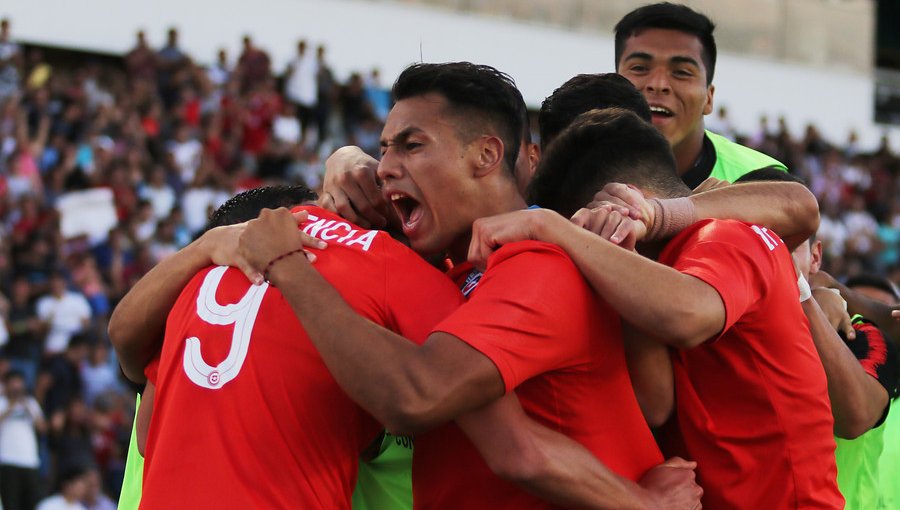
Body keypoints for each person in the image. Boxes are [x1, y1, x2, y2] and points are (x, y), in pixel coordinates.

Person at [110, 64, 701, 509]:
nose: (383, 165)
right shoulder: (440, 273)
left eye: (411, 145)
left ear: (488, 155)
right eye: (383, 146)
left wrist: (648, 506)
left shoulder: (535, 266)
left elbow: (474, 427)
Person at [466, 108, 843, 509]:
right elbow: (656, 404)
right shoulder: (647, 279)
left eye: (589, 226)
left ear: (620, 203)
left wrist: (549, 227)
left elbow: (688, 316)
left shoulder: (725, 237)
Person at [614, 2, 786, 187]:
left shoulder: (759, 179)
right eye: (639, 68)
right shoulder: (580, 163)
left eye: (681, 72)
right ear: (612, 86)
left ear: (709, 98)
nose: (658, 85)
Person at [0, 369, 46, 510]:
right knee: (10, 504)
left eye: (19, 383)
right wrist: (11, 406)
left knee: (33, 504)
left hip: (30, 461)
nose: (16, 387)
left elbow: (42, 428)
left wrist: (27, 407)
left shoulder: (30, 403)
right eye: (13, 383)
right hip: (7, 459)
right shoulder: (2, 403)